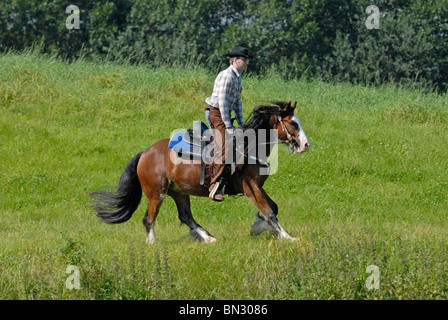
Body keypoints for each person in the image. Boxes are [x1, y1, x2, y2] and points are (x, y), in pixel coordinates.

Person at [205, 46, 253, 201]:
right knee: (224, 146)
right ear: (235, 60)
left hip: (224, 114)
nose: (247, 63)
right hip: (217, 114)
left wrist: (242, 123)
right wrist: (228, 126)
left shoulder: (237, 77)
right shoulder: (227, 76)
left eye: (247, 60)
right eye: (244, 60)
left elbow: (237, 102)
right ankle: (214, 185)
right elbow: (223, 103)